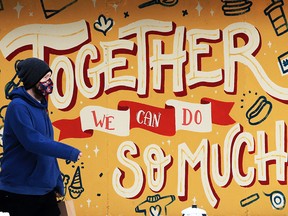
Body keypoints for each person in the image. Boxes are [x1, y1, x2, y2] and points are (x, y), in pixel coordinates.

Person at [0, 57, 82, 216]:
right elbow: (33, 142)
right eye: (45, 77)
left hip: (44, 193)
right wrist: (69, 152)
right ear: (33, 80)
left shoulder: (41, 108)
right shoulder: (18, 107)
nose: (50, 81)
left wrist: (57, 183)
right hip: (20, 193)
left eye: (50, 77)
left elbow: (46, 147)